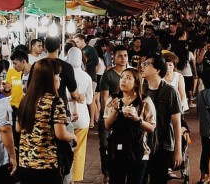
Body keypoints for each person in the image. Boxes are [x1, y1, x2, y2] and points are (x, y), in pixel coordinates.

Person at [16, 58, 77, 184]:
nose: (59, 79)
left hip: (25, 163)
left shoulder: (26, 100)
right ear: (49, 79)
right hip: (46, 165)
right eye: (57, 76)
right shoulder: (55, 102)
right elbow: (61, 134)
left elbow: (18, 128)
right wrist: (73, 136)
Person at [104, 68, 156, 184]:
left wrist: (137, 119)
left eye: (128, 78)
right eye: (122, 77)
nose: (123, 81)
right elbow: (107, 125)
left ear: (136, 83)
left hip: (138, 151)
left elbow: (152, 127)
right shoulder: (113, 99)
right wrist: (115, 110)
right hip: (116, 151)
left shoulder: (145, 101)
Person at [141, 53, 182, 184]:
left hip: (163, 145)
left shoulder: (170, 91)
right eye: (143, 64)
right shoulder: (142, 90)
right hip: (142, 144)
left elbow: (176, 123)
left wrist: (178, 150)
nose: (142, 66)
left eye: (147, 64)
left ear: (158, 70)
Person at [99, 46, 130, 183]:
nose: (123, 58)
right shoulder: (108, 75)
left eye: (125, 55)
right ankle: (106, 173)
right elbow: (104, 98)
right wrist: (107, 114)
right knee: (105, 145)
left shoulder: (132, 74)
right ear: (114, 57)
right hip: (109, 113)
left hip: (127, 115)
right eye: (120, 56)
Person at [66, 46, 94, 183]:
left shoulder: (62, 74)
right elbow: (89, 100)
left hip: (65, 117)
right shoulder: (87, 77)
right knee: (79, 150)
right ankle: (75, 179)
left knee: (65, 150)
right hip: (82, 118)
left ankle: (66, 178)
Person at [6, 48, 31, 144]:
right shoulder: (22, 75)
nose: (14, 66)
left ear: (23, 62)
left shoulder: (35, 73)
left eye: (15, 63)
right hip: (19, 109)